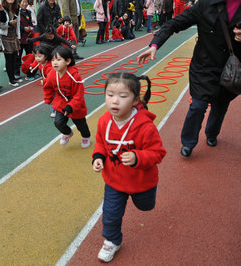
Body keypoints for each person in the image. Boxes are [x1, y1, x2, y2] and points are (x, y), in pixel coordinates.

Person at [137, 0, 241, 157]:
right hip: (204, 66)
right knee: (198, 105)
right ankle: (188, 142)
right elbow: (174, 23)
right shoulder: (205, 5)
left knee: (220, 105)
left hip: (232, 68)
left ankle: (212, 133)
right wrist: (155, 45)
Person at [92, 73, 166, 263]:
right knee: (110, 214)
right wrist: (98, 157)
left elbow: (158, 153)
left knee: (146, 206)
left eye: (123, 96)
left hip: (142, 181)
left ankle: (146, 197)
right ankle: (112, 241)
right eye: (109, 94)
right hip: (115, 181)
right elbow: (100, 142)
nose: (115, 101)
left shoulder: (145, 126)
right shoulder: (103, 121)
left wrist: (137, 157)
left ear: (135, 100)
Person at [43, 46, 91, 148]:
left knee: (81, 125)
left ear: (68, 61)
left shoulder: (74, 76)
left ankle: (86, 137)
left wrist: (71, 106)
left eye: (58, 60)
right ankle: (67, 133)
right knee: (58, 122)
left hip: (75, 105)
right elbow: (48, 87)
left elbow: (79, 94)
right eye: (53, 60)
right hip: (60, 103)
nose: (55, 62)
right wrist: (48, 98)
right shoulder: (52, 74)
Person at [0, 0, 23, 86]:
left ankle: (13, 77)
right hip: (5, 36)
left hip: (14, 35)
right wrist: (9, 24)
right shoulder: (2, 8)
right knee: (9, 59)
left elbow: (18, 23)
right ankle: (11, 80)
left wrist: (18, 36)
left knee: (15, 57)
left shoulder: (16, 8)